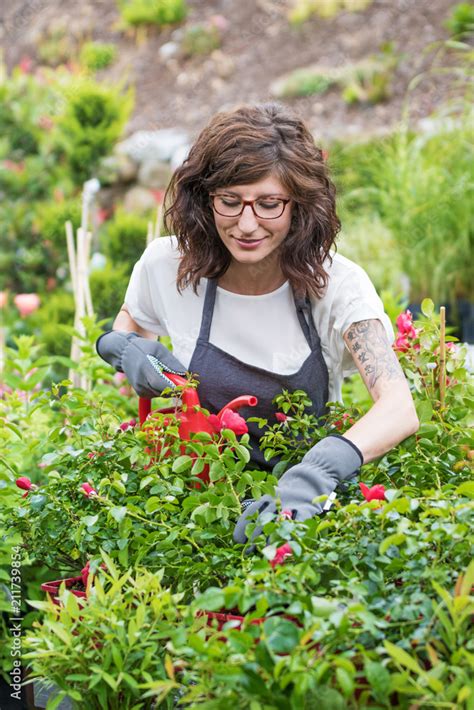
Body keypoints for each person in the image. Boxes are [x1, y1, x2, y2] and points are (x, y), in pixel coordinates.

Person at [96, 102, 419, 544]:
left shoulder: (338, 286)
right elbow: (131, 324)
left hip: (304, 522)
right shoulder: (167, 266)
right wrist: (122, 348)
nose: (247, 224)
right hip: (195, 522)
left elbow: (398, 408)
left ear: (299, 205)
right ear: (205, 199)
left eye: (269, 204)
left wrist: (316, 474)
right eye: (230, 202)